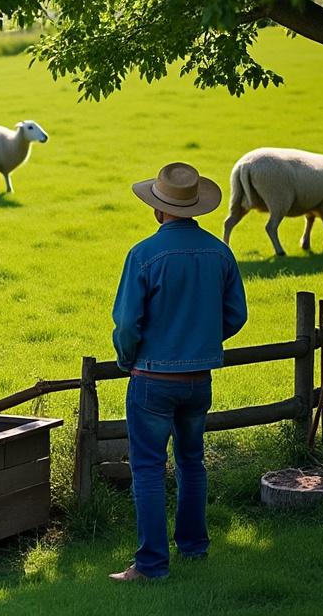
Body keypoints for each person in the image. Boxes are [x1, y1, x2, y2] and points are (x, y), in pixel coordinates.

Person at [109, 162, 247, 582]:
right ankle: (193, 548)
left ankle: (150, 566)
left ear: (157, 208)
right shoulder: (220, 252)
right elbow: (236, 315)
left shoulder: (144, 254)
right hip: (199, 380)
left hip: (152, 378)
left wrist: (126, 359)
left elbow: (128, 324)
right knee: (192, 462)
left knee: (149, 468)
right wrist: (202, 341)